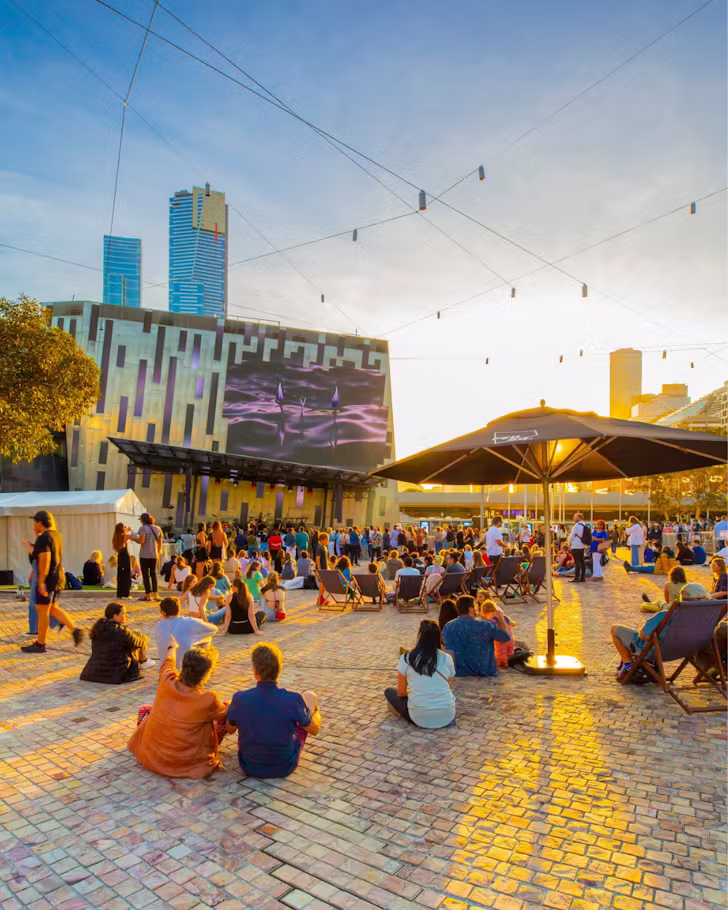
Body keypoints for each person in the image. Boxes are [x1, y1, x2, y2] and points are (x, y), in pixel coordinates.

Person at [128, 641, 228, 779]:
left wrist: (172, 647)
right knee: (223, 713)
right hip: (186, 763)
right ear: (205, 674)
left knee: (147, 709)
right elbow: (226, 713)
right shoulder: (208, 699)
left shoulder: (166, 679)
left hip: (151, 757)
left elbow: (169, 662)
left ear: (183, 666)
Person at [225, 643, 321, 778]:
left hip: (249, 765)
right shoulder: (293, 699)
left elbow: (229, 729)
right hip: (284, 766)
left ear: (255, 672)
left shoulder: (240, 698)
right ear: (279, 670)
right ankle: (304, 716)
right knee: (310, 697)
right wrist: (313, 712)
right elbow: (315, 730)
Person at [611, 583, 711, 679]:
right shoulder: (705, 618)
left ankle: (628, 666)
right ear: (701, 599)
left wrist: (643, 631)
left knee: (615, 629)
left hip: (656, 651)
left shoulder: (667, 615)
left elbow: (644, 635)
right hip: (685, 650)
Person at [20, 510, 84, 654]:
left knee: (43, 611)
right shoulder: (56, 535)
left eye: (34, 522)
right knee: (53, 608)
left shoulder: (45, 537)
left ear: (39, 523)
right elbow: (45, 554)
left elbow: (45, 559)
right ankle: (75, 630)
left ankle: (40, 643)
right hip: (57, 578)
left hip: (47, 579)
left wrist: (41, 581)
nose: (33, 525)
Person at [384, 619, 456, 728]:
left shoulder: (407, 658)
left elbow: (401, 692)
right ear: (439, 637)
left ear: (419, 636)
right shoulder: (447, 658)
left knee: (389, 692)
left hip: (419, 717)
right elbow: (449, 685)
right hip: (447, 714)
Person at [80, 602, 153, 683]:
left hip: (93, 671)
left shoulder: (99, 627)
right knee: (138, 640)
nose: (126, 616)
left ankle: (143, 660)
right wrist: (145, 638)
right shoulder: (120, 631)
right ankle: (143, 661)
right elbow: (139, 642)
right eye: (124, 614)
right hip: (115, 673)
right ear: (115, 616)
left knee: (135, 634)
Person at [441, 595, 511, 677]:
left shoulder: (448, 627)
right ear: (471, 610)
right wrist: (501, 619)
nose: (477, 609)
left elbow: (447, 649)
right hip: (484, 671)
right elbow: (506, 637)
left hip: (459, 673)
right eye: (476, 607)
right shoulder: (485, 625)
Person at [155, 596, 217, 668]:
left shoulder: (158, 626)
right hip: (183, 669)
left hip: (165, 669)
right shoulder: (189, 621)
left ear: (163, 613)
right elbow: (214, 629)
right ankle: (203, 664)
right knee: (207, 637)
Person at [132, 513, 162, 602]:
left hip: (144, 555)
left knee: (145, 575)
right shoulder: (157, 528)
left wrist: (133, 539)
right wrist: (158, 552)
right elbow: (160, 542)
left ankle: (148, 595)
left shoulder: (143, 528)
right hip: (154, 554)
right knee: (153, 574)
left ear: (143, 520)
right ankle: (156, 595)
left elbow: (141, 541)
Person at [112, 522, 134, 599]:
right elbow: (133, 537)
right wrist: (129, 530)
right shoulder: (124, 536)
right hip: (125, 556)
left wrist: (127, 529)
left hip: (120, 556)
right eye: (124, 527)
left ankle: (120, 593)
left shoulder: (116, 537)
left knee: (121, 575)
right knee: (127, 575)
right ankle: (125, 593)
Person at [568, 512, 588, 583]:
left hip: (576, 545)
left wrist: (569, 544)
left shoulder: (576, 526)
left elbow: (571, 536)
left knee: (577, 562)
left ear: (579, 518)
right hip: (582, 545)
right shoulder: (584, 525)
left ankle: (576, 577)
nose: (573, 518)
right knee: (582, 561)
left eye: (575, 516)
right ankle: (582, 577)